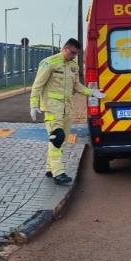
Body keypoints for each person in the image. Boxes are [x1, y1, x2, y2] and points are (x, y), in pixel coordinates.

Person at [30, 38, 105, 184]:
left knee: (62, 140)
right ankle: (59, 173)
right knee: (56, 138)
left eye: (77, 54)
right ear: (65, 49)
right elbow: (37, 85)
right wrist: (33, 105)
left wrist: (92, 92)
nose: (74, 56)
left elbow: (76, 86)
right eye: (73, 53)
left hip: (67, 108)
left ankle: (50, 168)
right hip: (52, 108)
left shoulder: (73, 66)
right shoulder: (49, 63)